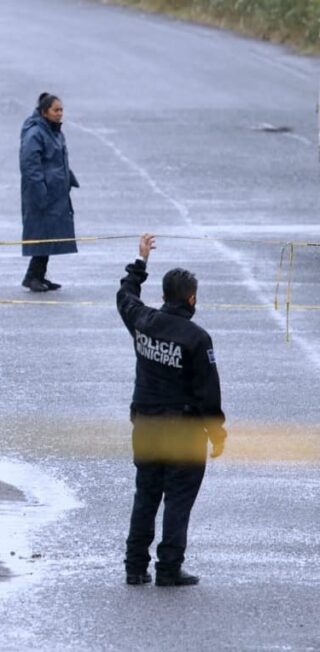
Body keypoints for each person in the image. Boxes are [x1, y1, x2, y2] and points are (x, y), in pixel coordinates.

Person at [117, 233, 226, 587]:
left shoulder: (143, 321)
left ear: (163, 297)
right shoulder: (197, 338)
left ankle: (135, 566)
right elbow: (208, 394)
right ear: (192, 299)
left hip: (146, 426)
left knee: (146, 496)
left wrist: (141, 261)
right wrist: (217, 434)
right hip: (183, 432)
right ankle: (168, 567)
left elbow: (125, 296)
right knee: (178, 500)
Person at [19, 92, 80, 292]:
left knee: (49, 234)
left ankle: (38, 275)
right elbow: (30, 165)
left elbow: (58, 161)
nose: (60, 113)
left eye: (61, 110)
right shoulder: (35, 134)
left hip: (55, 193)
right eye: (56, 110)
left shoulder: (54, 132)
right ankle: (32, 277)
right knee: (41, 234)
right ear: (45, 112)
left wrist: (68, 178)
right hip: (41, 193)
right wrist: (40, 191)